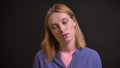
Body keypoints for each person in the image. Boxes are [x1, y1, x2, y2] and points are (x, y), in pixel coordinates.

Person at [33, 3, 102, 68]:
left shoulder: (93, 57)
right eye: (55, 27)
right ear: (51, 32)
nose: (62, 29)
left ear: (74, 21)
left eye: (64, 22)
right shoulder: (41, 57)